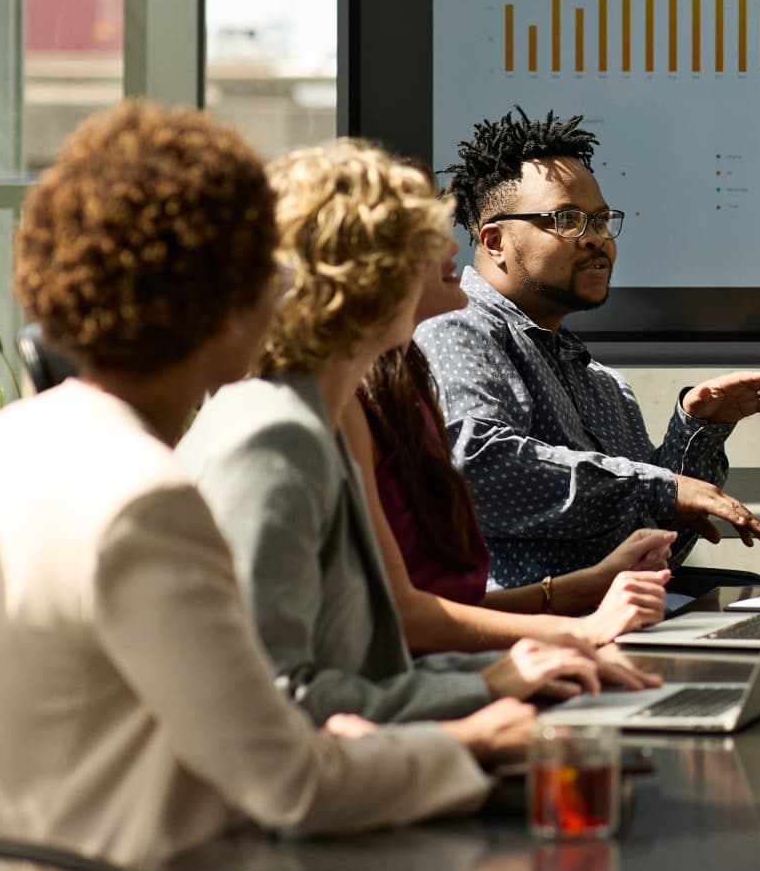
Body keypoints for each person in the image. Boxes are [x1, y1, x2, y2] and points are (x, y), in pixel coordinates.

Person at [0, 102, 533, 871]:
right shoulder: (144, 499)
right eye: (265, 271)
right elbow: (286, 782)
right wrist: (462, 746)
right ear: (221, 303)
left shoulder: (17, 442)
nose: (284, 290)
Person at [178, 138, 637, 724]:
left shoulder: (326, 412)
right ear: (361, 267)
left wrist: (536, 662)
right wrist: (494, 689)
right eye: (423, 234)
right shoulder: (274, 438)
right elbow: (274, 701)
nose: (454, 245)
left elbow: (385, 649)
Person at [415, 106, 760, 592]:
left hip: (621, 618)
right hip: (527, 637)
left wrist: (699, 429)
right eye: (568, 220)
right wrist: (663, 489)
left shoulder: (604, 384)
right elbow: (477, 467)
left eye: (601, 221)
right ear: (495, 241)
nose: (597, 240)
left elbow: (658, 550)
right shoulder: (458, 326)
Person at [345, 251, 680, 652]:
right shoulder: (350, 401)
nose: (450, 245)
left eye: (601, 221)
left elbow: (432, 606)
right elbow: (400, 620)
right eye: (421, 227)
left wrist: (585, 587)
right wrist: (580, 630)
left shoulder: (400, 380)